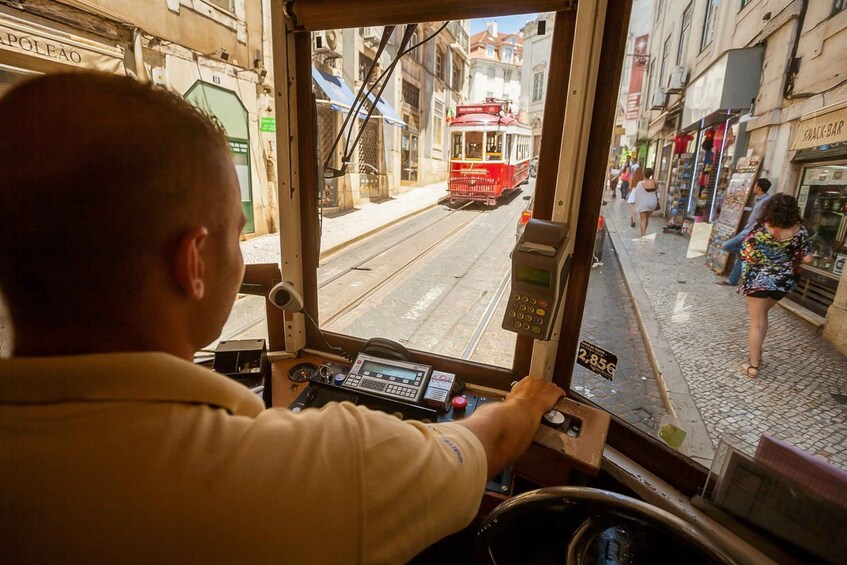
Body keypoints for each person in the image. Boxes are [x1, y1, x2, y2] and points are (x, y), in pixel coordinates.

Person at [0, 73, 565, 563]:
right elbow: (487, 444)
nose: (244, 255)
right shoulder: (333, 467)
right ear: (192, 263)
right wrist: (527, 399)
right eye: (237, 236)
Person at [738, 194, 812, 378]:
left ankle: (753, 366)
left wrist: (765, 258)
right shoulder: (800, 231)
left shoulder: (760, 229)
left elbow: (746, 253)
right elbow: (807, 258)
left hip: (759, 279)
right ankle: (758, 354)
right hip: (784, 281)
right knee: (763, 316)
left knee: (757, 322)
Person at [717, 178, 772, 286]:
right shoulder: (760, 200)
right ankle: (732, 280)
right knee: (742, 255)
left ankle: (742, 255)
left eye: (755, 185)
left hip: (751, 232)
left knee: (726, 245)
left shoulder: (767, 201)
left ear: (758, 188)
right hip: (748, 230)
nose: (753, 188)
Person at [630, 168, 659, 237]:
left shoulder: (640, 183)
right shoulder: (655, 182)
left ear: (644, 174)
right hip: (652, 203)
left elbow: (637, 193)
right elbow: (657, 190)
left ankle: (643, 235)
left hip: (644, 203)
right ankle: (644, 232)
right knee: (647, 218)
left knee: (643, 219)